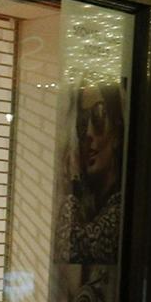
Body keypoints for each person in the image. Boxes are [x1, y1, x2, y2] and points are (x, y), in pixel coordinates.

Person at [55, 83, 124, 264]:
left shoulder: (118, 211)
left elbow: (70, 249)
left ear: (116, 132)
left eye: (99, 117)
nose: (88, 133)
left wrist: (74, 183)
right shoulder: (95, 208)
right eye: (83, 122)